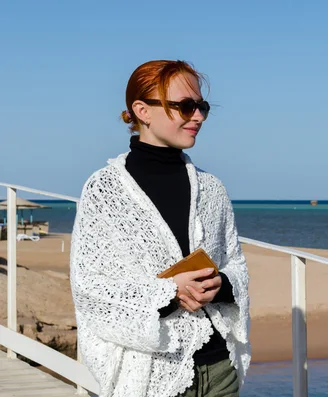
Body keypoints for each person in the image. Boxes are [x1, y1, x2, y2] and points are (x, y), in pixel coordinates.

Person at [70, 60, 250, 397]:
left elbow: (235, 265)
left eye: (202, 107)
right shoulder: (105, 190)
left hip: (220, 369)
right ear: (142, 111)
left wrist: (220, 284)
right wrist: (170, 293)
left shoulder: (212, 189)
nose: (197, 116)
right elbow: (89, 289)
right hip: (150, 374)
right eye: (185, 106)